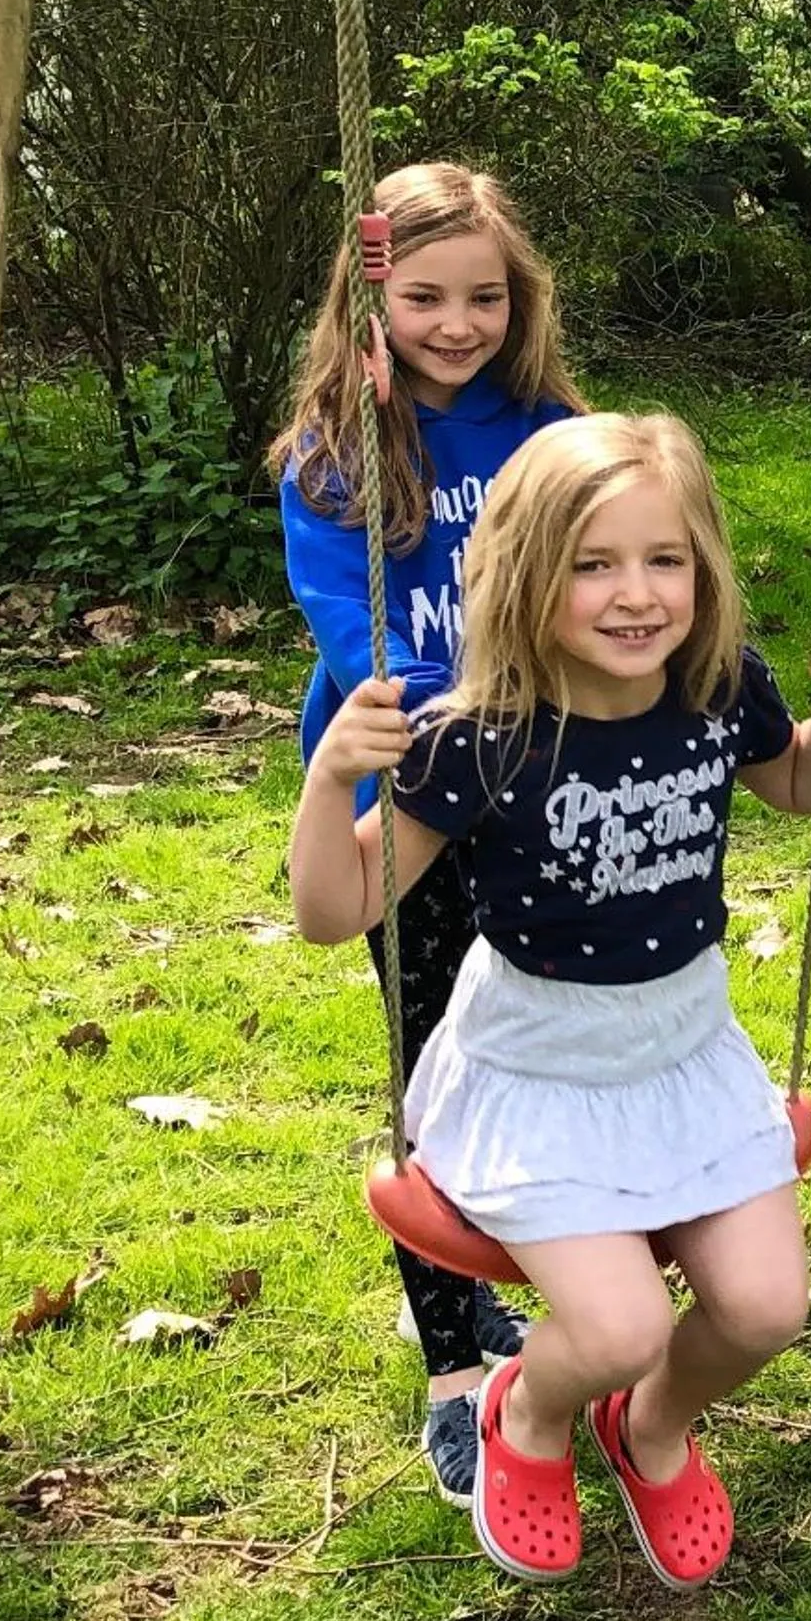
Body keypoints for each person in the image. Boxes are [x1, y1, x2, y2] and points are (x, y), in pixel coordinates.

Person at [287, 412, 811, 1590]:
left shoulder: (719, 687)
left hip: (683, 1055)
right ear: (524, 575)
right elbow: (335, 906)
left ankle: (648, 1425)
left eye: (664, 560)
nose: (635, 595)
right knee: (614, 1329)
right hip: (540, 1074)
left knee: (765, 1307)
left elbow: (804, 786)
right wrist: (328, 776)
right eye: (591, 564)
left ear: (701, 568)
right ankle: (531, 1412)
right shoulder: (477, 732)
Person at [268, 162, 587, 1502]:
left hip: (546, 783)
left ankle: (515, 1285)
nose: (457, 323)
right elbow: (356, 632)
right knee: (435, 1072)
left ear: (520, 302)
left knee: (540, 1051)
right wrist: (460, 724)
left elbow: (609, 557)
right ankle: (455, 1368)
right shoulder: (339, 453)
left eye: (484, 298)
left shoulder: (551, 429)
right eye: (425, 298)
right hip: (406, 794)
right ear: (373, 296)